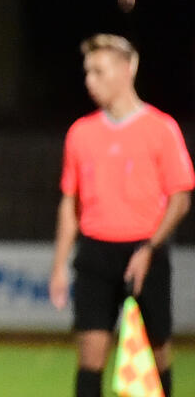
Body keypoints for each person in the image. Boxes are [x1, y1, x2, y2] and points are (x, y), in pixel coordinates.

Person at [49, 33, 194, 397]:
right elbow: (71, 204)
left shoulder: (161, 128)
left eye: (98, 71)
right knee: (91, 355)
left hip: (147, 251)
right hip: (96, 254)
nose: (89, 80)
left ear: (128, 69)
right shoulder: (80, 133)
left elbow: (180, 199)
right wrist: (59, 264)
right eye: (87, 72)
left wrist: (149, 247)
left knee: (159, 349)